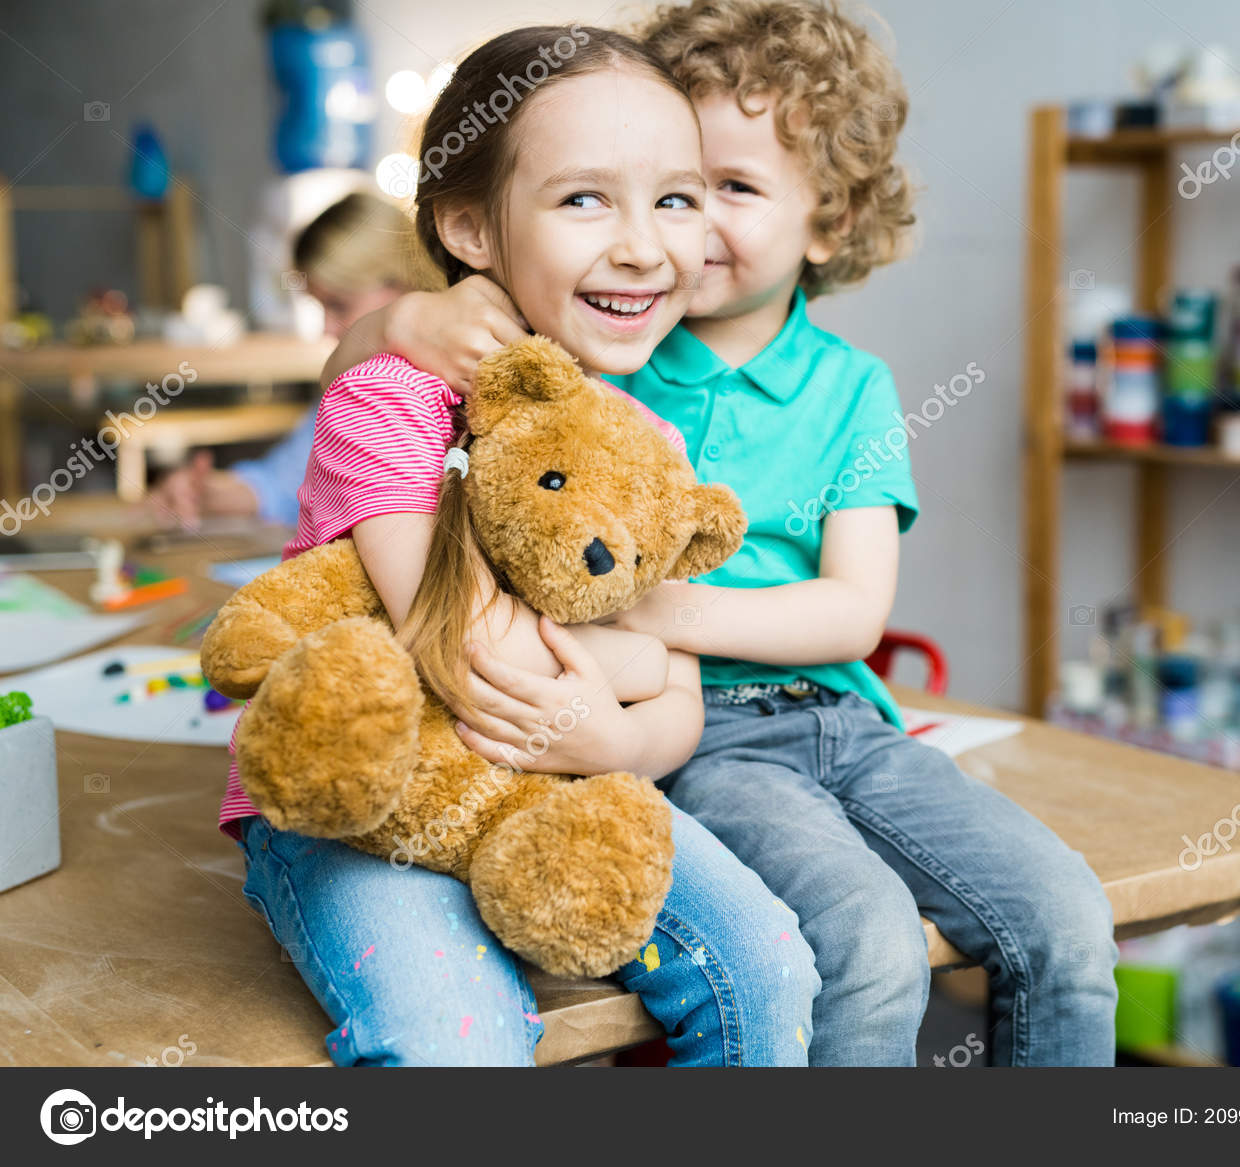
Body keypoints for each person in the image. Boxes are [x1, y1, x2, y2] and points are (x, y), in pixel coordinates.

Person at [326, 0, 1118, 1067]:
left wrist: (654, 612)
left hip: (841, 715)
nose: (672, 234)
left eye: (717, 191)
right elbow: (368, 388)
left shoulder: (847, 386)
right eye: (672, 187)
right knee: (869, 947)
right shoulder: (604, 342)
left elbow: (853, 614)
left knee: (1068, 917)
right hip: (697, 736)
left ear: (830, 221)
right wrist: (403, 320)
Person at [227, 25, 819, 1067]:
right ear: (468, 227)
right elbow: (467, 647)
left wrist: (620, 744)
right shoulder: (390, 398)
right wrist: (635, 662)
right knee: (454, 1036)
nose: (643, 247)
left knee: (769, 970)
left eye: (675, 200)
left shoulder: (644, 441)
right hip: (368, 805)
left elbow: (678, 706)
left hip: (563, 787)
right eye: (585, 199)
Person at [146, 192, 430, 529]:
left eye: (339, 305)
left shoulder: (440, 389)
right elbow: (285, 481)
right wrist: (208, 494)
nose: (326, 329)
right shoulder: (356, 390)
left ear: (404, 283)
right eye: (321, 307)